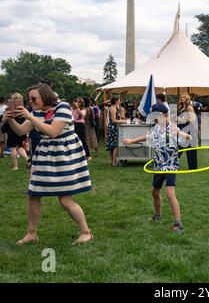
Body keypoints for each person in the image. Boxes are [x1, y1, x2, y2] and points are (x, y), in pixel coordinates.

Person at [3, 83, 93, 245]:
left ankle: (86, 232)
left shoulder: (63, 107)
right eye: (28, 98)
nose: (30, 101)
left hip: (64, 154)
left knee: (65, 199)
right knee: (33, 194)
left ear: (45, 96)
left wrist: (30, 117)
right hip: (45, 154)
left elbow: (53, 132)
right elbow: (21, 131)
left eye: (33, 98)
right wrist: (10, 121)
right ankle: (32, 233)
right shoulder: (35, 111)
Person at [122, 103, 191, 233]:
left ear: (165, 115)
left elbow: (188, 137)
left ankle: (178, 223)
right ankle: (157, 215)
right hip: (159, 165)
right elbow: (147, 137)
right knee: (154, 192)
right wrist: (132, 141)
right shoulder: (156, 129)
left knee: (170, 193)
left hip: (170, 165)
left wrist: (183, 135)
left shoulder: (172, 128)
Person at [1, 92, 29, 170]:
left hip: (12, 129)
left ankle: (15, 166)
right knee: (20, 147)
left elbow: (5, 119)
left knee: (13, 148)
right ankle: (27, 159)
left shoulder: (9, 108)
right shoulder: (24, 108)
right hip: (22, 128)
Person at [177, 94, 198, 170]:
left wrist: (182, 120)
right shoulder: (181, 108)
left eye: (184, 97)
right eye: (181, 97)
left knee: (190, 150)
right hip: (181, 129)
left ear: (187, 99)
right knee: (178, 148)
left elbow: (192, 120)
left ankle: (193, 167)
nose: (182, 98)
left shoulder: (189, 107)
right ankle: (174, 164)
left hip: (189, 130)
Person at [106, 96, 125, 166]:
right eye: (119, 100)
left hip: (112, 127)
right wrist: (123, 121)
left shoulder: (114, 108)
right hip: (113, 128)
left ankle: (112, 161)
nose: (120, 102)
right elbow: (113, 120)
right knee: (115, 145)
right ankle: (114, 162)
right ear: (116, 101)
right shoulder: (113, 108)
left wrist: (121, 118)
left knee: (112, 146)